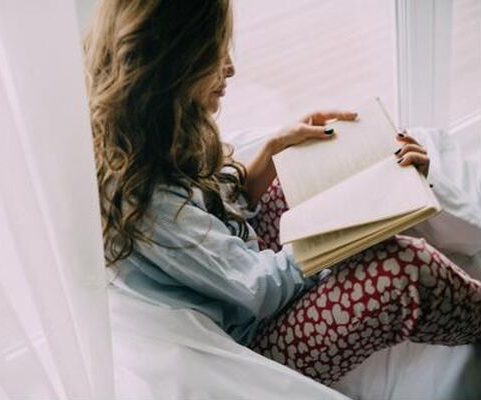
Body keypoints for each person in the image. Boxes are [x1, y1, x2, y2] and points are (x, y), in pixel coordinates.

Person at [84, 0, 481, 386]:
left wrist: (272, 153)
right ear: (174, 66)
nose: (230, 68)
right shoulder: (147, 203)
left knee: (316, 171)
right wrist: (337, 231)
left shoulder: (148, 133)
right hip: (252, 339)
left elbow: (210, 215)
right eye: (215, 55)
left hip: (244, 280)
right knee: (403, 270)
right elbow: (256, 289)